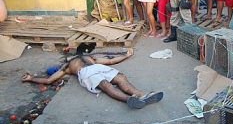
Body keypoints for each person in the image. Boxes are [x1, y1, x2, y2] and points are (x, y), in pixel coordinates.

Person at [21, 49, 164, 109]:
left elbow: (110, 61)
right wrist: (31, 78)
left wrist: (126, 55)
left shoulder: (91, 58)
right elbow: (49, 80)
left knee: (120, 78)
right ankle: (130, 100)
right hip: (86, 73)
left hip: (97, 68)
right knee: (104, 84)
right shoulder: (67, 66)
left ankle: (141, 95)